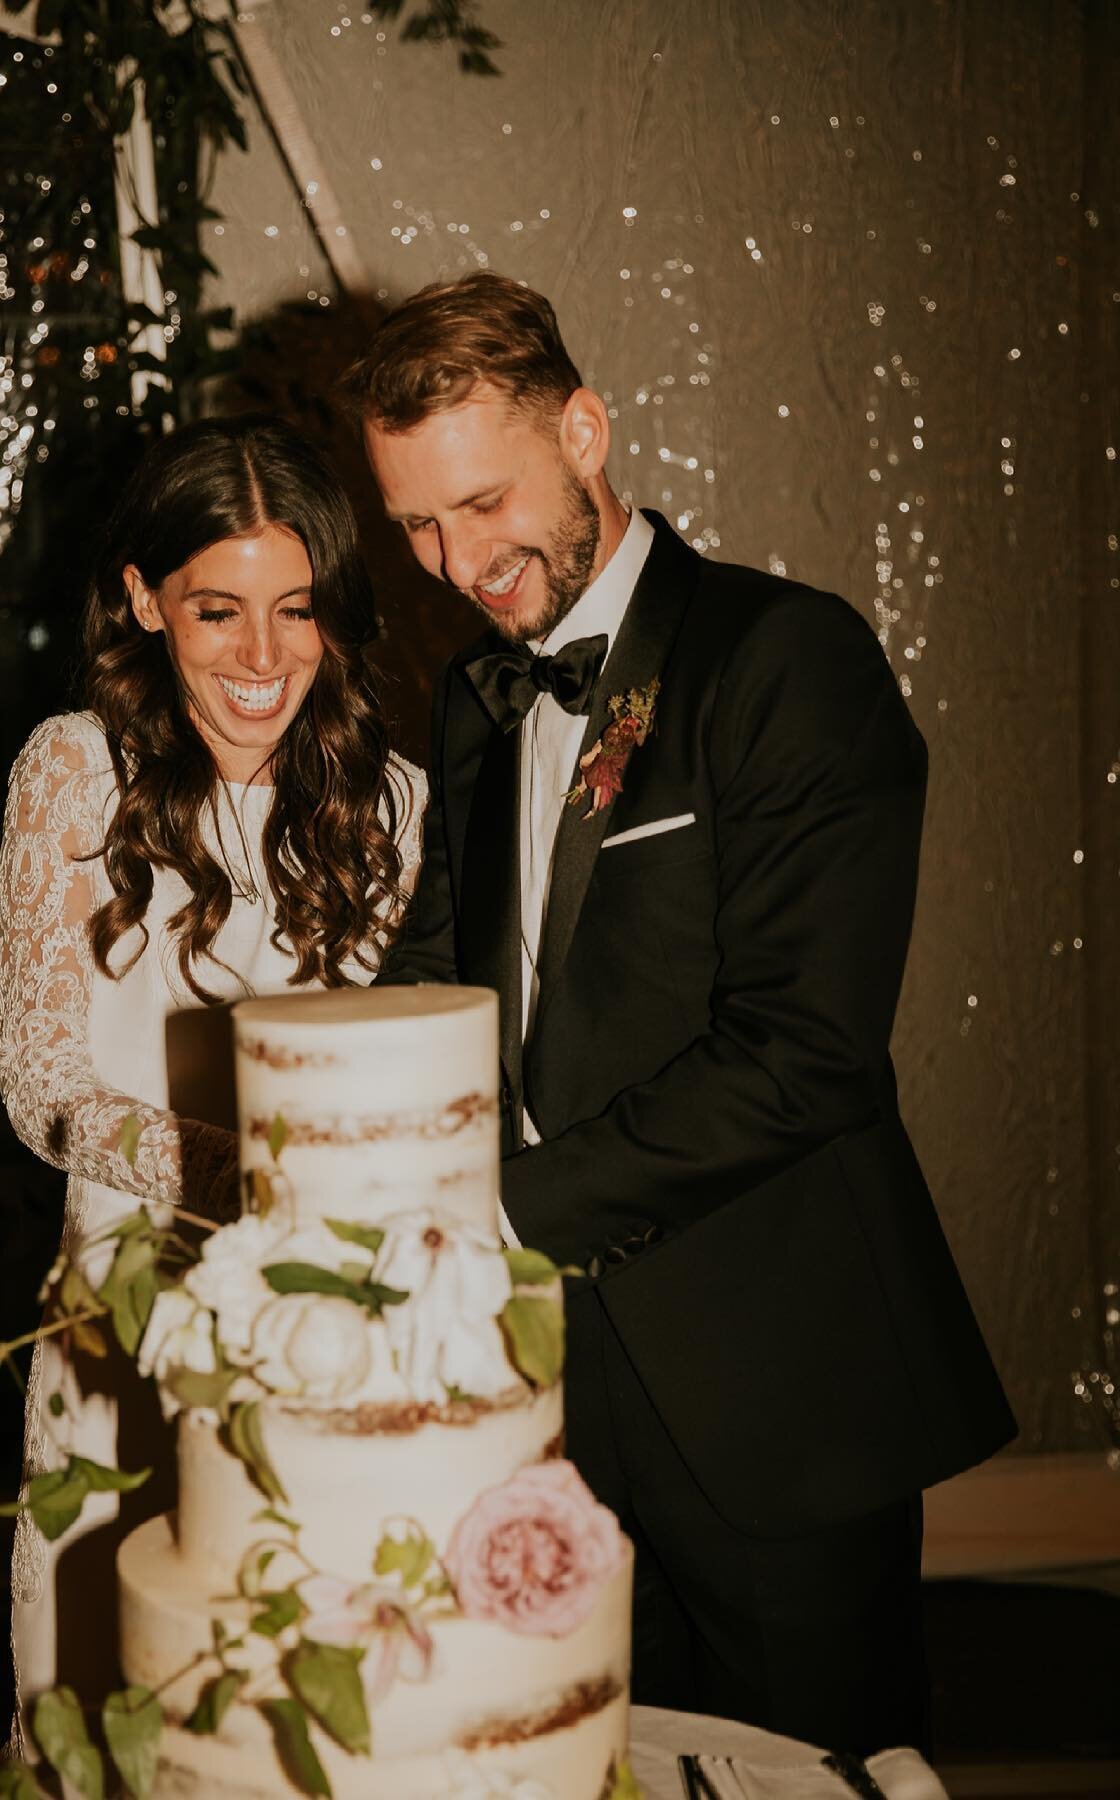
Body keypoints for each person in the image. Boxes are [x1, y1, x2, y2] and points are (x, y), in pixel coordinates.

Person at [342, 272, 1015, 1756]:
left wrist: (499, 1213)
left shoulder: (788, 660)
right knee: (599, 1764)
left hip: (774, 1376)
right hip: (551, 1398)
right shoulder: (473, 696)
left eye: (481, 502)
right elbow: (439, 986)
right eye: (417, 525)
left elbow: (805, 1057)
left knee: (811, 1774)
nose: (457, 560)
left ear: (585, 430)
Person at [0, 413, 424, 1751]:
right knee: (106, 1716)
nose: (260, 656)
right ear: (142, 598)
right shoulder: (77, 770)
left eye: (296, 610)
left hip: (334, 1332)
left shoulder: (398, 801)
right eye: (217, 609)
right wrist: (261, 1185)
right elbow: (41, 1081)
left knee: (299, 1717)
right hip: (124, 1323)